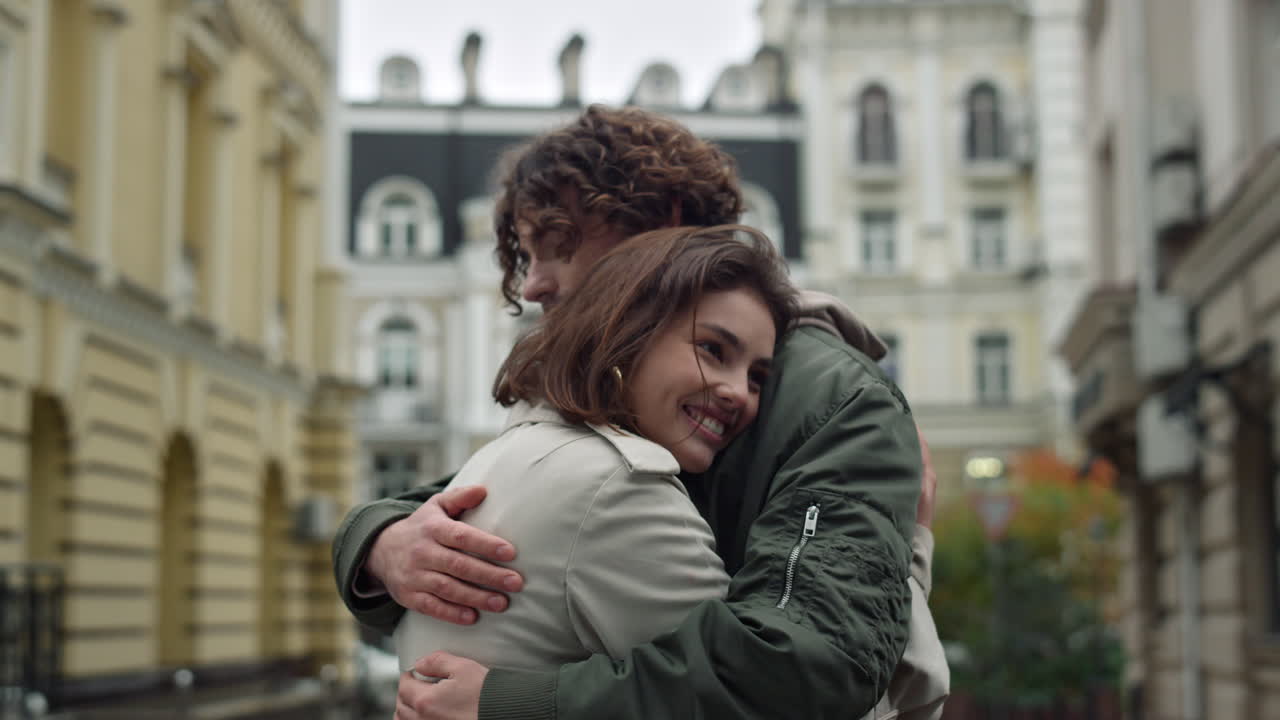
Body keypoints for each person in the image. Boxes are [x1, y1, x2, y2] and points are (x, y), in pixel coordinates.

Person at [332, 105, 946, 720]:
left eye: (557, 243)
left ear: (661, 224)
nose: (534, 285)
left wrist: (518, 706)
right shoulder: (611, 388)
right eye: (525, 257)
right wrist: (379, 542)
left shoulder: (832, 397)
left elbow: (811, 663)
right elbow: (472, 499)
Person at [394, 225, 798, 673]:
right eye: (713, 349)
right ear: (629, 333)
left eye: (757, 377)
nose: (739, 393)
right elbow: (753, 693)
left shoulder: (519, 447)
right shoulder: (620, 489)